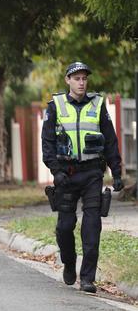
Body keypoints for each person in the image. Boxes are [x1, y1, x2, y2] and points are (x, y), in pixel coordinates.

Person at [41, 62, 123, 293]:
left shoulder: (98, 104)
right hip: (66, 174)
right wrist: (56, 171)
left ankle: (87, 278)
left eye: (84, 78)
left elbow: (110, 140)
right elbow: (47, 142)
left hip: (92, 174)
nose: (81, 82)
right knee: (65, 227)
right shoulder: (55, 105)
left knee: (91, 227)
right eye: (76, 78)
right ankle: (68, 262)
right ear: (68, 80)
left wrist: (116, 172)